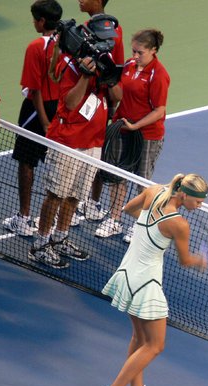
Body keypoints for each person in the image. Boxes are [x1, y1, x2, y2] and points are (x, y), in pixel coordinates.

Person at [95, 173, 208, 386]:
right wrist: (200, 261)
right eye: (198, 202)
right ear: (184, 195)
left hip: (127, 274)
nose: (200, 206)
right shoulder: (179, 224)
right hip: (145, 284)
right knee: (155, 345)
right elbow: (185, 260)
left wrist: (147, 229)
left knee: (140, 338)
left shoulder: (154, 190)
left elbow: (128, 209)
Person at [29, 20, 122, 269]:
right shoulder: (69, 64)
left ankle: (60, 238)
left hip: (93, 141)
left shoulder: (105, 60)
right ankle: (40, 243)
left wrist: (109, 78)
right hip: (68, 142)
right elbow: (70, 103)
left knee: (74, 197)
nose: (110, 43)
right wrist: (85, 75)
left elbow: (118, 97)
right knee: (56, 195)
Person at [94, 28, 170, 243]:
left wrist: (136, 126)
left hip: (147, 135)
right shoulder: (128, 65)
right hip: (123, 129)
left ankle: (142, 224)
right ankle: (114, 219)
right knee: (118, 176)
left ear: (153, 51)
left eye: (140, 53)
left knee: (141, 181)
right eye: (134, 51)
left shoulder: (159, 75)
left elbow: (159, 110)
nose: (135, 56)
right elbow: (118, 93)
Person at [2, 0, 63, 237]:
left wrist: (44, 120)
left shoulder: (35, 47)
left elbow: (34, 89)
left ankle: (24, 218)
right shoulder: (67, 43)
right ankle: (58, 217)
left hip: (37, 110)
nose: (33, 22)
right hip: (61, 107)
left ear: (42, 21)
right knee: (59, 161)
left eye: (35, 18)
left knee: (26, 162)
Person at [77, 0, 125, 221]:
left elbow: (118, 69)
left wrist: (113, 104)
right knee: (81, 150)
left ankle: (92, 202)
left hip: (101, 101)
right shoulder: (83, 28)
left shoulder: (115, 31)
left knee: (97, 151)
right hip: (83, 99)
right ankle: (79, 201)